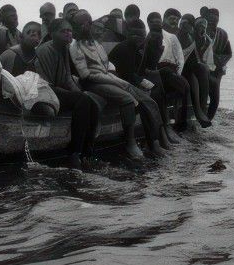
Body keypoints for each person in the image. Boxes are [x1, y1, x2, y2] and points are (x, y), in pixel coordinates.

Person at [69, 10, 149, 160]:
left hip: (104, 79)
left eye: (84, 24)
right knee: (126, 98)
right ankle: (130, 142)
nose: (81, 28)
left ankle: (147, 132)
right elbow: (86, 75)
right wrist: (115, 81)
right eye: (78, 25)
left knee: (135, 92)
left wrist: (117, 80)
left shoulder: (96, 44)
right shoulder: (75, 46)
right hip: (90, 83)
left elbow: (105, 68)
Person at [35, 19, 103, 168]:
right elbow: (47, 84)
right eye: (63, 31)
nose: (68, 33)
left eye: (70, 30)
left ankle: (88, 152)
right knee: (82, 100)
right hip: (46, 92)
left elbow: (67, 77)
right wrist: (79, 96)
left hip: (58, 90)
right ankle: (74, 153)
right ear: (52, 34)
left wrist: (81, 93)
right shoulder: (45, 50)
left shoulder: (64, 48)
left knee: (91, 102)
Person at [109, 19, 172, 151]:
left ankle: (159, 137)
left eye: (142, 35)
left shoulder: (138, 48)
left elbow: (139, 71)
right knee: (146, 103)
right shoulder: (124, 48)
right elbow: (126, 75)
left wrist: (146, 84)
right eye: (135, 35)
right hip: (117, 83)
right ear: (128, 34)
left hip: (129, 83)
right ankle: (153, 143)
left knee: (156, 95)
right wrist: (143, 85)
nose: (139, 38)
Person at [145, 12, 188, 141]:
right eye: (153, 22)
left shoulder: (171, 37)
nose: (156, 24)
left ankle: (181, 124)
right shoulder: (146, 38)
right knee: (160, 90)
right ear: (148, 23)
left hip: (170, 71)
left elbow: (180, 59)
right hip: (155, 73)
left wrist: (177, 74)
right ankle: (166, 127)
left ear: (161, 22)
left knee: (185, 86)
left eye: (158, 22)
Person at [179, 14, 213, 127]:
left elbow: (195, 59)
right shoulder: (177, 35)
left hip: (186, 67)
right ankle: (199, 112)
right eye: (182, 23)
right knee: (192, 76)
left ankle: (202, 111)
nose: (183, 26)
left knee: (203, 69)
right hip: (176, 69)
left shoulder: (193, 38)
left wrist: (203, 44)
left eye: (186, 24)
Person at [204, 7, 232, 120]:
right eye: (210, 21)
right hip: (202, 69)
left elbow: (228, 53)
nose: (213, 23)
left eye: (215, 21)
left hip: (217, 70)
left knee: (215, 98)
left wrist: (219, 62)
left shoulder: (222, 34)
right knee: (203, 94)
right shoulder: (200, 31)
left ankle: (208, 122)